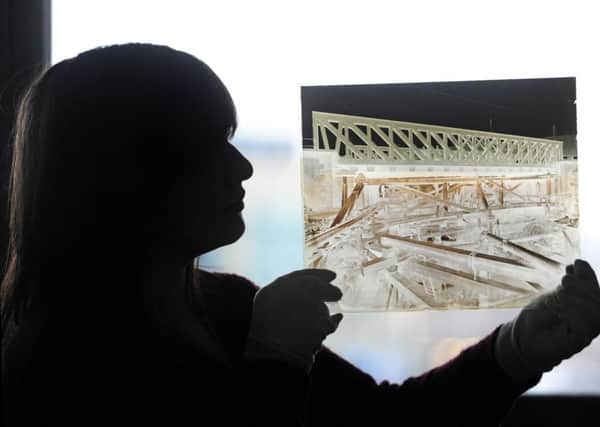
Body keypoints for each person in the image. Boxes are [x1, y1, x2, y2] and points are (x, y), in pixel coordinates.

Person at [1, 43, 599, 426]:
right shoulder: (47, 367)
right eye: (210, 146)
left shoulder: (231, 307)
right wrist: (275, 363)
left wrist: (517, 350)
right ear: (135, 170)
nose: (243, 168)